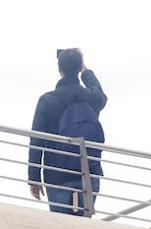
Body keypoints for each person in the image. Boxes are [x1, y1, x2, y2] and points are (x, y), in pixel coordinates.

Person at [28, 48, 107, 216]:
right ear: (79, 67)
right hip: (88, 171)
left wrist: (34, 178)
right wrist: (86, 70)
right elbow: (100, 93)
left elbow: (36, 141)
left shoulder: (47, 100)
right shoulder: (91, 96)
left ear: (60, 69)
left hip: (57, 175)